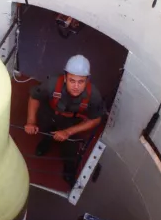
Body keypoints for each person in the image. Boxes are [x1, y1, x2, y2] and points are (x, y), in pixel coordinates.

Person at [24, 55, 105, 186]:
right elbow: (35, 97)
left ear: (87, 80)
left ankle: (69, 167)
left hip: (72, 121)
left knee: (70, 149)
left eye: (81, 82)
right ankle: (46, 142)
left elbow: (95, 119)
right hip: (50, 112)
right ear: (65, 77)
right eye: (72, 81)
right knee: (45, 130)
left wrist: (68, 132)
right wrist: (31, 121)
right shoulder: (52, 83)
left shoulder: (93, 95)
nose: (76, 86)